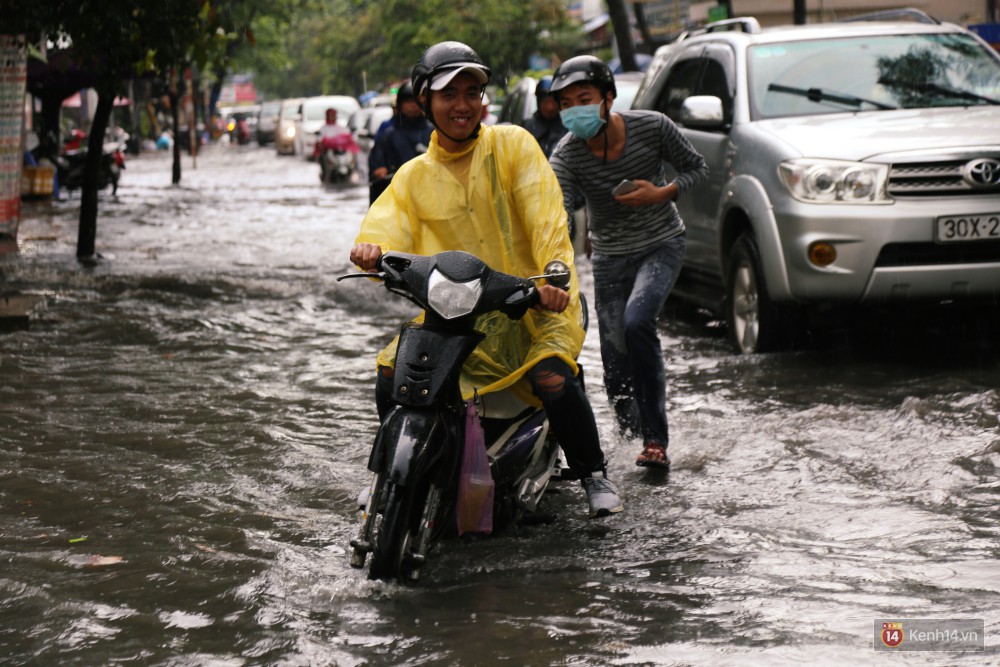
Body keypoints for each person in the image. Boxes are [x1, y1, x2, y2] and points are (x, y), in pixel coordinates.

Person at [350, 41, 624, 518]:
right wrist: (370, 251)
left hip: (532, 304)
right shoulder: (412, 176)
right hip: (455, 314)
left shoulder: (514, 144)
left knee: (551, 375)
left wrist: (553, 281)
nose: (462, 105)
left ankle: (592, 472)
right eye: (448, 94)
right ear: (425, 101)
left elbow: (545, 216)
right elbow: (385, 226)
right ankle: (391, 475)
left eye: (471, 93)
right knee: (392, 373)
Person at [548, 56, 709, 471]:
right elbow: (556, 211)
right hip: (608, 258)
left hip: (662, 244)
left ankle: (655, 440)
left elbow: (696, 168)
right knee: (614, 358)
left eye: (584, 99)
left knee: (638, 322)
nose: (575, 110)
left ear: (609, 98)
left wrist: (662, 192)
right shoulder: (566, 155)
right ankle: (629, 439)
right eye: (565, 104)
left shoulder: (653, 127)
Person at [367, 83, 432, 204]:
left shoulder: (434, 132)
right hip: (398, 195)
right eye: (408, 101)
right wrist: (381, 171)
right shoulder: (388, 135)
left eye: (416, 101)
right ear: (400, 104)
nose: (412, 105)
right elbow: (377, 163)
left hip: (430, 193)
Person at [520, 76, 567, 158]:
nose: (550, 107)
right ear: (538, 101)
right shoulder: (527, 128)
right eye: (545, 101)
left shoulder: (568, 125)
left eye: (554, 102)